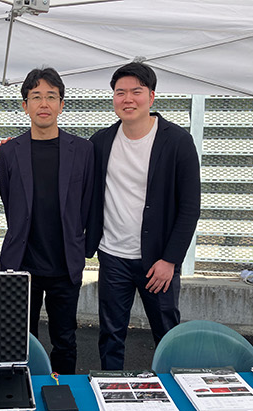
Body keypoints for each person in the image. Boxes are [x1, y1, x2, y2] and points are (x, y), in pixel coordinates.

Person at [87, 62, 201, 370]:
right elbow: (68, 165)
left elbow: (190, 207)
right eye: (120, 92)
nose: (128, 99)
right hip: (113, 256)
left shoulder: (177, 141)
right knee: (110, 335)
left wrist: (170, 260)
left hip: (158, 261)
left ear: (151, 97)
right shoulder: (100, 142)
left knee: (167, 334)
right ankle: (110, 388)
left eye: (136, 92)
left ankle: (178, 391)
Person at [0, 67, 95, 375]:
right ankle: (24, 391)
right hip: (22, 263)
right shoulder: (9, 152)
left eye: (51, 97)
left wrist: (83, 249)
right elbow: (9, 199)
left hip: (64, 264)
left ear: (62, 104)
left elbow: (89, 203)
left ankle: (63, 392)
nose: (44, 104)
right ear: (24, 105)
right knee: (21, 340)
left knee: (65, 340)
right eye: (36, 97)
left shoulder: (82, 150)